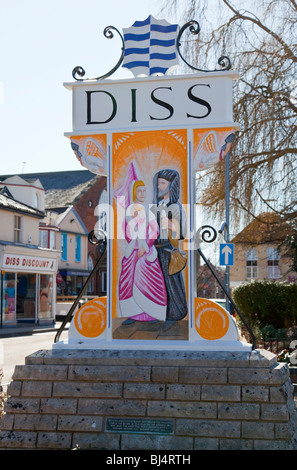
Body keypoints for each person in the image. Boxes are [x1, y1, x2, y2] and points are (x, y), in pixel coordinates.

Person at [115, 163, 167, 326]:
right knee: (128, 280)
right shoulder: (130, 211)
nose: (143, 193)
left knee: (148, 280)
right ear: (134, 192)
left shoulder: (149, 210)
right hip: (133, 251)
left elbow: (155, 231)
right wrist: (136, 242)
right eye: (139, 190)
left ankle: (152, 314)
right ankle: (133, 314)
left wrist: (144, 245)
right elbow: (127, 231)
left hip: (146, 250)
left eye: (144, 190)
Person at [151, 169, 188, 331]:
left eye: (163, 183)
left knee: (171, 283)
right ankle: (159, 313)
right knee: (158, 283)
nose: (159, 186)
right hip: (155, 249)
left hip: (168, 249)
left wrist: (166, 221)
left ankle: (176, 314)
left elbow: (181, 232)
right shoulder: (157, 205)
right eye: (158, 183)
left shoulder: (176, 206)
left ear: (171, 185)